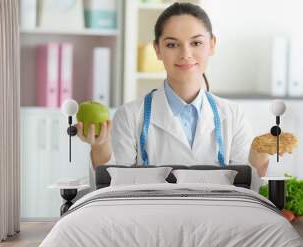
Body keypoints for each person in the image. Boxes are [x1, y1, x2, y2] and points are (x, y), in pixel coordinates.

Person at [77, 2, 274, 183]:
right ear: (157, 49)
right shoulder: (129, 116)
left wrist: (260, 155)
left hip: (217, 220)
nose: (185, 54)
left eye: (196, 43)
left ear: (212, 44)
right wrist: (100, 147)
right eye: (172, 44)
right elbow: (113, 187)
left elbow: (247, 189)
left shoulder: (233, 115)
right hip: (152, 220)